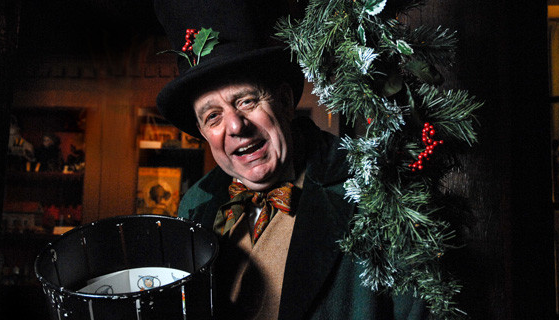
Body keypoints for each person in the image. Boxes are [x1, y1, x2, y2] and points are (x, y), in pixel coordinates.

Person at [153, 0, 428, 319]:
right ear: (203, 132)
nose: (235, 126)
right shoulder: (193, 205)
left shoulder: (371, 191)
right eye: (213, 117)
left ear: (284, 101)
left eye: (246, 101)